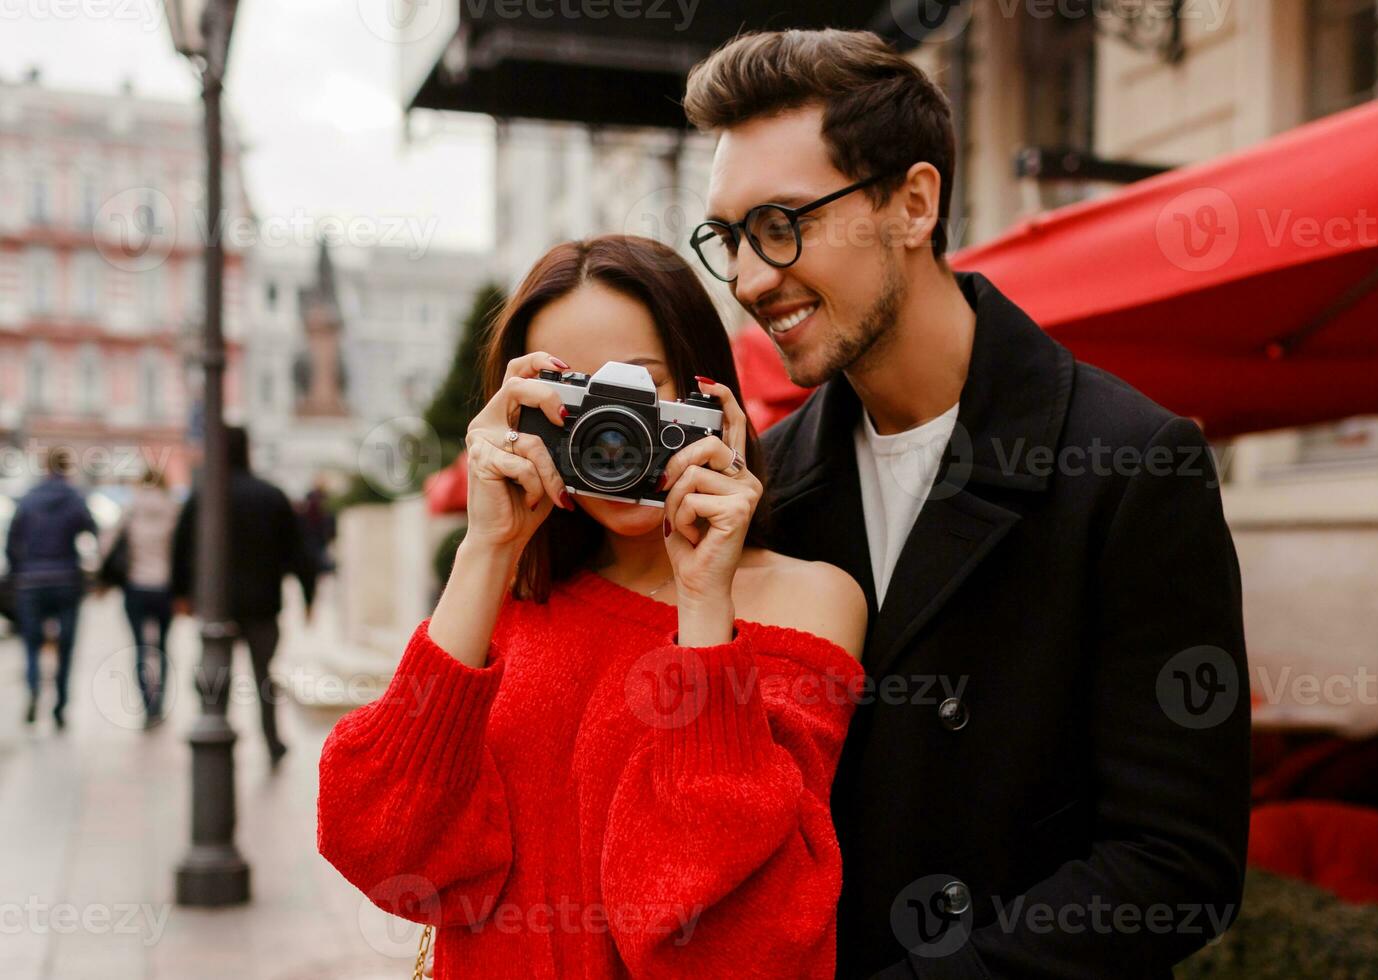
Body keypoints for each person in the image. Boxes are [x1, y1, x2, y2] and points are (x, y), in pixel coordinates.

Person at [684, 29, 1251, 979]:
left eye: (782, 223)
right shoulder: (765, 483)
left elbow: (1177, 866)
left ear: (913, 203)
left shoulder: (1132, 464)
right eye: (730, 237)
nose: (747, 277)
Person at [317, 235, 868, 978]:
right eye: (576, 400)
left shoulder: (809, 601)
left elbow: (738, 949)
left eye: (641, 391)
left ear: (711, 400)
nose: (613, 433)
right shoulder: (513, 596)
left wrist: (705, 605)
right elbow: (383, 849)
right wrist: (486, 547)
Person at [170, 426, 317, 766]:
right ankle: (272, 740)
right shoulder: (271, 495)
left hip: (217, 606)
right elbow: (299, 552)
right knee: (263, 677)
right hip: (263, 605)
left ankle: (215, 733)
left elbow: (180, 547)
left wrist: (181, 594)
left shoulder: (204, 494)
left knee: (215, 676)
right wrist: (309, 597)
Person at [5, 446, 97, 730]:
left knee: (32, 642)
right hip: (66, 579)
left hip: (31, 581)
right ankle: (60, 704)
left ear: (45, 468)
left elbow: (12, 542)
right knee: (66, 646)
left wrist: (20, 569)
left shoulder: (29, 499)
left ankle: (33, 687)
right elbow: (91, 532)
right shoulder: (74, 498)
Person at [103, 464, 180, 728]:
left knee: (140, 648)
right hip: (165, 588)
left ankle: (147, 705)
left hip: (135, 586)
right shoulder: (173, 509)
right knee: (163, 647)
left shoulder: (131, 507)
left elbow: (108, 545)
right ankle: (161, 704)